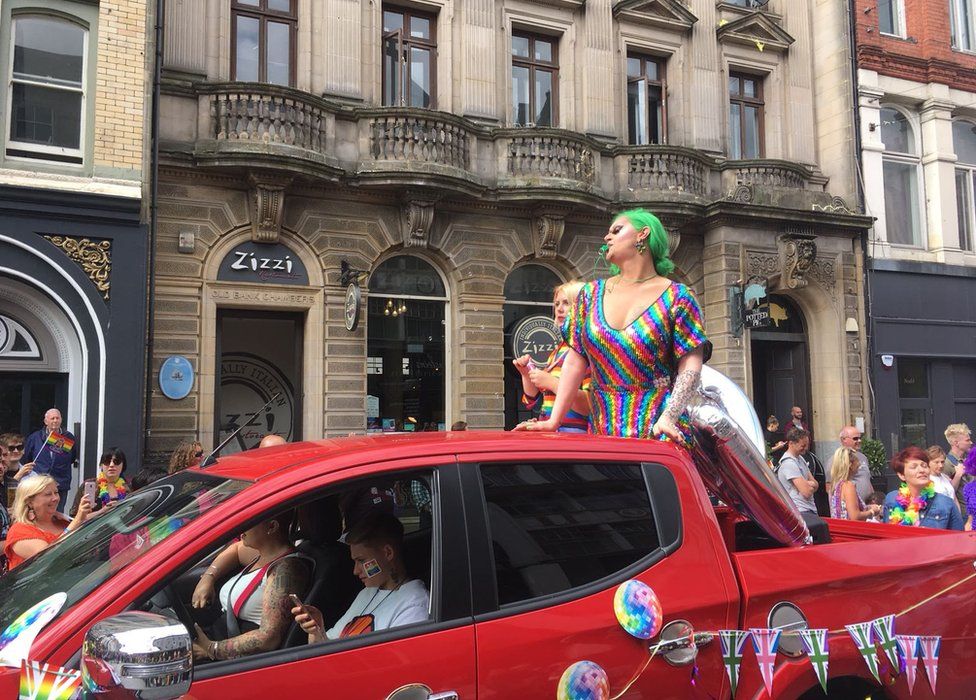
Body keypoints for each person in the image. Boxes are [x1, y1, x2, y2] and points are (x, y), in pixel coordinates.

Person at [515, 208, 707, 442]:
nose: (607, 237)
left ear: (642, 234)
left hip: (659, 432)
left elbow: (690, 365)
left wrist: (669, 416)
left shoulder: (678, 296)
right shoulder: (590, 295)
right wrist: (554, 421)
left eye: (616, 230)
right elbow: (575, 361)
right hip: (603, 433)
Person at [292, 512, 428, 642]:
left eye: (361, 560)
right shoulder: (367, 593)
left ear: (388, 553)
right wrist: (317, 631)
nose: (355, 571)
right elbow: (330, 646)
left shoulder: (414, 604)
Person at [191, 513, 311, 661]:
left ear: (272, 527)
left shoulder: (286, 570)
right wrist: (208, 578)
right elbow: (235, 549)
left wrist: (211, 649)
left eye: (250, 521)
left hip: (233, 658)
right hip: (218, 639)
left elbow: (268, 638)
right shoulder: (263, 554)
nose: (242, 526)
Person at [513, 281, 592, 433]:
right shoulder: (558, 350)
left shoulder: (587, 349)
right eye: (556, 304)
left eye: (566, 303)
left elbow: (589, 406)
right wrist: (525, 374)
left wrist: (551, 382)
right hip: (555, 435)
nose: (559, 309)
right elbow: (531, 401)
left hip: (576, 438)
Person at [3, 475, 91, 570]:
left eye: (56, 493)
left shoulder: (63, 521)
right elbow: (49, 558)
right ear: (29, 502)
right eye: (48, 494)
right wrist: (77, 520)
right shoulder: (19, 530)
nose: (55, 498)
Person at [883, 446, 964, 530]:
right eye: (914, 467)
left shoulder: (945, 503)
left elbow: (958, 539)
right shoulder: (891, 499)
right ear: (902, 475)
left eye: (924, 466)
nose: (922, 470)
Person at [23, 409, 77, 513]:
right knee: (39, 512)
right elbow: (27, 459)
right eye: (52, 418)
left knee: (58, 513)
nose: (55, 421)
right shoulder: (35, 438)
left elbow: (72, 457)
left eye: (57, 418)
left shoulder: (68, 437)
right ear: (46, 421)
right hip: (39, 484)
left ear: (61, 420)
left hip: (60, 483)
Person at [70, 448, 129, 516]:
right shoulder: (91, 485)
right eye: (107, 461)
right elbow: (75, 516)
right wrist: (102, 511)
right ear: (101, 465)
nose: (111, 465)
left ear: (123, 465)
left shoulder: (128, 488)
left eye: (117, 461)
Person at [828, 447, 881, 521]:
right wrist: (872, 512)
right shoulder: (848, 486)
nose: (859, 464)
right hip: (850, 529)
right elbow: (854, 516)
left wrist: (867, 508)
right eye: (857, 461)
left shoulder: (835, 485)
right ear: (850, 465)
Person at [776, 427, 818, 516]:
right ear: (791, 443)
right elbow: (806, 492)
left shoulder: (800, 459)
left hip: (809, 509)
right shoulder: (789, 463)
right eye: (802, 446)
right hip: (800, 510)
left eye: (807, 445)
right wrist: (808, 485)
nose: (806, 448)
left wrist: (808, 484)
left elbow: (816, 484)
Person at [944, 423, 973, 515]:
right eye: (967, 440)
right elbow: (946, 493)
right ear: (956, 443)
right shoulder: (946, 464)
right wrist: (958, 475)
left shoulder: (968, 459)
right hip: (963, 514)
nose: (971, 442)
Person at [839, 426, 873, 501]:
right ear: (843, 440)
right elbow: (830, 487)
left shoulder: (863, 457)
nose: (859, 440)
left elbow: (867, 479)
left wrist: (873, 498)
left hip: (866, 504)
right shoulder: (837, 459)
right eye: (855, 438)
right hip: (852, 506)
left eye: (860, 438)